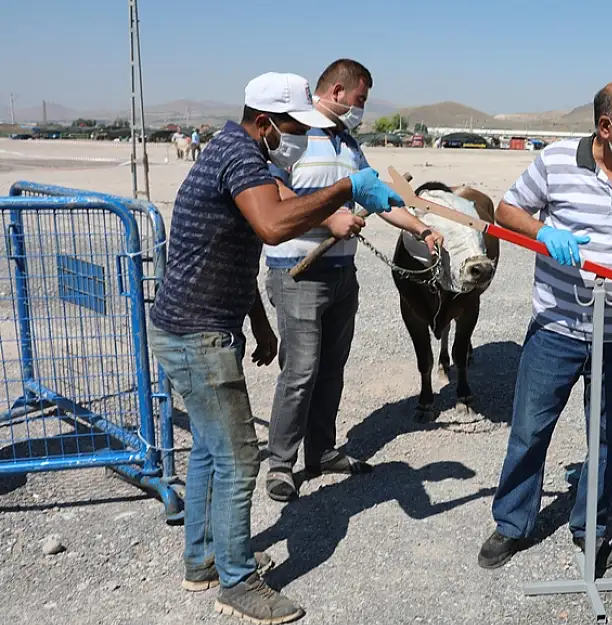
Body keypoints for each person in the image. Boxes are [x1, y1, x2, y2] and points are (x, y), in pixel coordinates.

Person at [147, 71, 404, 624]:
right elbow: (270, 228)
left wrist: (260, 325)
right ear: (265, 123)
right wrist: (344, 189)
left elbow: (229, 253)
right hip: (196, 333)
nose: (300, 139)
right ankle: (239, 582)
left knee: (212, 453)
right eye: (293, 128)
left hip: (194, 322)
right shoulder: (240, 157)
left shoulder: (240, 152)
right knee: (240, 456)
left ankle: (204, 560)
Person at [478, 80, 612, 570]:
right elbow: (508, 210)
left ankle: (590, 524)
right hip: (556, 328)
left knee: (610, 437)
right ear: (606, 126)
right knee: (531, 430)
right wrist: (544, 231)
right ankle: (512, 522)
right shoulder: (555, 161)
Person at [261, 58, 444, 502]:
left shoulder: (348, 144)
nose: (362, 107)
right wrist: (329, 222)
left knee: (331, 368)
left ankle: (322, 451)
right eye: (360, 99)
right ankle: (280, 463)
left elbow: (375, 197)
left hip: (343, 272)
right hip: (298, 271)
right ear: (339, 92)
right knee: (301, 370)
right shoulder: (291, 134)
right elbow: (274, 196)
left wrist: (420, 227)